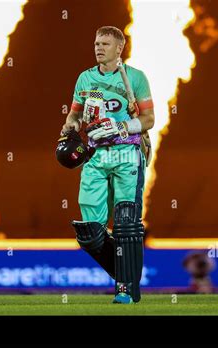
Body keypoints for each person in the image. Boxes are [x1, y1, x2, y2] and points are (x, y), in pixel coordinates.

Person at [60, 26, 155, 304]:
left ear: (118, 49)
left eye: (104, 44)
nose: (98, 48)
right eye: (96, 43)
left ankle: (125, 290)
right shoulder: (87, 79)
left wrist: (122, 126)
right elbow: (77, 116)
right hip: (95, 155)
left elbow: (148, 120)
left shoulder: (135, 78)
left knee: (126, 223)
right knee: (90, 231)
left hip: (126, 155)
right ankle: (130, 273)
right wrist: (69, 129)